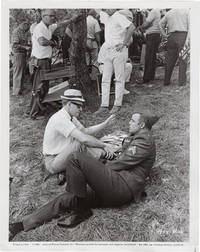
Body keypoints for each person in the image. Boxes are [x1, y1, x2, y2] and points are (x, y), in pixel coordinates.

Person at [9, 111, 159, 240]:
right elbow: (122, 159)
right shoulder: (137, 137)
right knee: (70, 197)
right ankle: (21, 225)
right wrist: (96, 172)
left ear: (141, 125)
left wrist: (97, 171)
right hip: (114, 186)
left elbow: (122, 162)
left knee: (76, 157)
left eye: (132, 120)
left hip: (123, 186)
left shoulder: (145, 139)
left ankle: (81, 210)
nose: (129, 122)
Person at [43, 88, 115, 175]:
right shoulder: (60, 118)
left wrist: (104, 124)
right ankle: (106, 156)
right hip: (52, 162)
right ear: (69, 104)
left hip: (61, 154)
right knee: (80, 142)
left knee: (84, 141)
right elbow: (84, 139)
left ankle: (105, 156)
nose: (81, 109)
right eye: (78, 106)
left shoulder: (70, 116)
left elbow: (86, 131)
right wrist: (103, 145)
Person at [95, 9, 135, 115]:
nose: (107, 8)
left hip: (118, 50)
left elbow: (132, 27)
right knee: (105, 79)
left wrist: (124, 43)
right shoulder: (105, 16)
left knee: (119, 79)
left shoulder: (118, 16)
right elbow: (97, 9)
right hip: (107, 51)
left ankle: (117, 105)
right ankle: (104, 105)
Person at [159, 9, 190, 86]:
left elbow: (159, 24)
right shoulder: (186, 11)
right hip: (183, 35)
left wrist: (164, 35)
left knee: (170, 59)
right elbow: (190, 26)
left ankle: (166, 81)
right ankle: (182, 82)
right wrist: (188, 39)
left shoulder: (169, 12)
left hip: (171, 36)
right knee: (183, 59)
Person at [137, 9, 161, 83]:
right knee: (152, 56)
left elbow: (146, 24)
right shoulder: (156, 11)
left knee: (149, 56)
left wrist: (139, 28)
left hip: (152, 35)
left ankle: (146, 78)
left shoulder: (154, 11)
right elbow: (149, 23)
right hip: (155, 34)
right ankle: (150, 76)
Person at [11, 21, 30, 95]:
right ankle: (16, 92)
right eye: (25, 24)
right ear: (21, 24)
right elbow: (15, 45)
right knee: (18, 72)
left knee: (22, 73)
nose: (27, 26)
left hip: (23, 54)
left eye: (27, 24)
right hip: (18, 54)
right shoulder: (16, 32)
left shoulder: (24, 32)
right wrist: (25, 47)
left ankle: (20, 90)